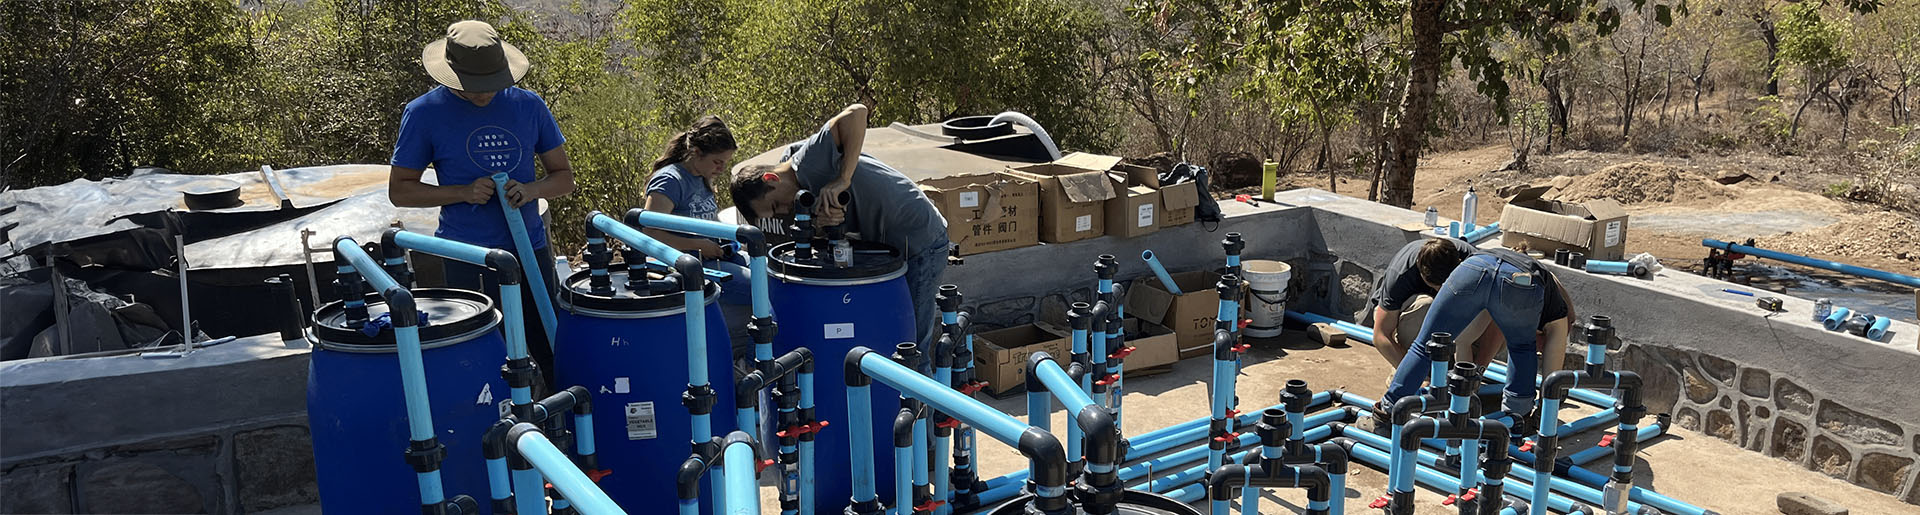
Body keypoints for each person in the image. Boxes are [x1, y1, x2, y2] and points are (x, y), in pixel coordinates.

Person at [388, 20, 573, 388]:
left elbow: (564, 178)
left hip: (529, 250)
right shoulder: (424, 113)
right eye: (474, 86)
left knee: (550, 347)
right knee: (487, 357)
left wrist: (532, 190)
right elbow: (401, 191)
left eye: (492, 84)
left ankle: (562, 428)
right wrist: (462, 192)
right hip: (466, 256)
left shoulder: (528, 105)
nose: (484, 94)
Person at [729, 103, 950, 346]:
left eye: (774, 205)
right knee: (891, 338)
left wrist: (842, 179)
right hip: (890, 248)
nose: (782, 211)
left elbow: (857, 113)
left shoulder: (808, 160)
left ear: (770, 178)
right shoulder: (800, 194)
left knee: (912, 345)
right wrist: (823, 225)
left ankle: (924, 381)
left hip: (921, 238)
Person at [1381, 247, 1573, 424]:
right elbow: (1552, 378)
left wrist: (1474, 375)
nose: (1541, 352)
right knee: (1522, 349)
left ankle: (1387, 412)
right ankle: (1516, 421)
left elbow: (1467, 336)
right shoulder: (1558, 317)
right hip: (1520, 281)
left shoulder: (1544, 298)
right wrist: (1545, 411)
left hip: (1473, 267)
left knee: (1424, 345)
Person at [642, 115, 750, 306]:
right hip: (686, 267)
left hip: (713, 257)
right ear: (697, 152)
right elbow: (650, 234)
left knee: (770, 272)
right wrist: (698, 245)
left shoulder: (702, 176)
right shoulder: (670, 181)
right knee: (761, 286)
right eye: (717, 162)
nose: (722, 168)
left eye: (725, 162)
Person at [1362, 237, 1484, 366]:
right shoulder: (1401, 274)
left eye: (1446, 286)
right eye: (1435, 287)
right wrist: (1411, 376)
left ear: (1459, 264)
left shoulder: (1475, 265)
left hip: (1455, 319)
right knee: (1425, 305)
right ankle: (1416, 364)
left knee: (1481, 316)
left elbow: (1495, 325)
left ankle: (1453, 368)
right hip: (1401, 315)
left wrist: (1476, 372)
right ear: (1420, 271)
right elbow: (1381, 335)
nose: (1440, 291)